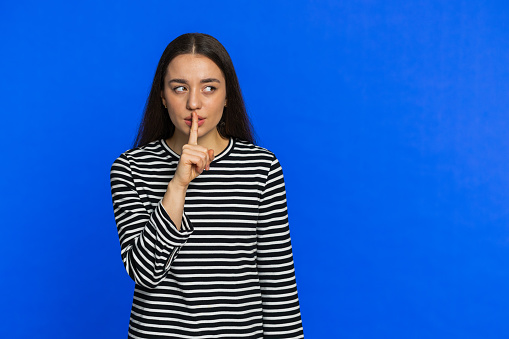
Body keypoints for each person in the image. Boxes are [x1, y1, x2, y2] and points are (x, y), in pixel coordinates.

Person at [110, 33, 304, 338]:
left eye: (209, 88)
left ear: (228, 96)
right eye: (179, 88)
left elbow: (278, 285)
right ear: (162, 95)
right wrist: (177, 184)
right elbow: (145, 272)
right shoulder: (131, 169)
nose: (194, 103)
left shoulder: (261, 168)